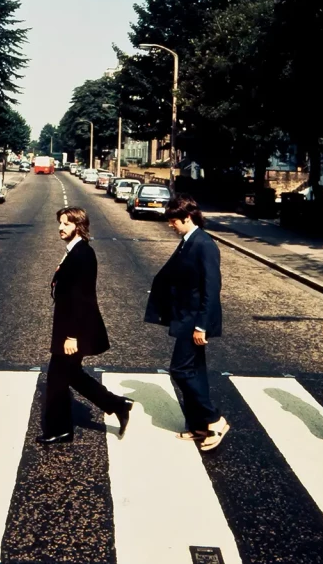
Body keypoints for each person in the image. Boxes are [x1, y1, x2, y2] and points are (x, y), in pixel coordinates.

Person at [38, 207, 133, 445]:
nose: (61, 228)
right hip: (69, 327)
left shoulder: (82, 255)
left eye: (67, 224)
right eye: (60, 223)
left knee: (58, 379)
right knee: (71, 375)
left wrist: (71, 336)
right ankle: (117, 405)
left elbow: (82, 299)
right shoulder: (75, 251)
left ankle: (60, 429)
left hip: (73, 330)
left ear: (79, 226)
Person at [145, 194, 229, 452]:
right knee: (196, 371)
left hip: (195, 321)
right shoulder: (188, 241)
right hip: (185, 317)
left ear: (188, 217)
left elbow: (211, 288)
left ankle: (214, 419)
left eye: (174, 221)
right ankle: (199, 425)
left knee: (180, 370)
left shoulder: (204, 244)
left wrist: (201, 326)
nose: (171, 225)